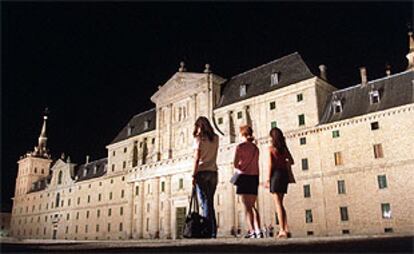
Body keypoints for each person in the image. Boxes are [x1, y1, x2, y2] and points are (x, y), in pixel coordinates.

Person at [233, 125, 263, 238]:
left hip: (244, 177)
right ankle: (258, 230)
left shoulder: (240, 147)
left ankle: (251, 231)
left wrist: (241, 166)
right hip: (254, 177)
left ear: (242, 135)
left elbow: (235, 164)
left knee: (247, 207)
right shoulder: (256, 148)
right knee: (253, 206)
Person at [192, 116, 219, 238]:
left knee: (204, 203)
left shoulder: (198, 140)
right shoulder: (216, 138)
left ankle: (208, 231)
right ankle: (213, 231)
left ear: (199, 127)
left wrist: (193, 174)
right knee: (210, 202)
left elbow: (197, 158)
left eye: (196, 126)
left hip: (202, 173)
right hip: (213, 172)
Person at [265, 127, 294, 238]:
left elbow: (270, 165)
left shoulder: (271, 149)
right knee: (281, 204)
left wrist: (268, 179)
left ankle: (282, 230)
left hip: (276, 176)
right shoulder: (284, 149)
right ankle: (286, 228)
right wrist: (284, 162)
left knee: (278, 205)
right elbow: (291, 161)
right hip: (284, 176)